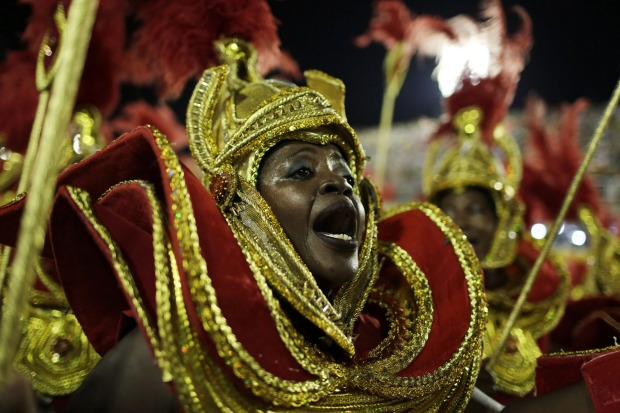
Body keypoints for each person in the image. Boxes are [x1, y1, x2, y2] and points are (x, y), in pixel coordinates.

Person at [0, 38, 486, 412]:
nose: (339, 186)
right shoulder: (176, 357)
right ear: (240, 203)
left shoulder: (389, 342)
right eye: (300, 171)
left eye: (346, 175)